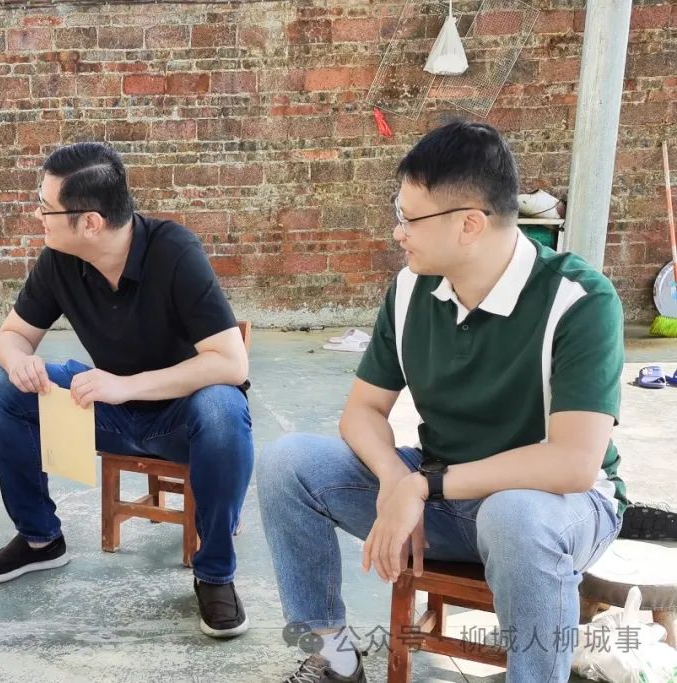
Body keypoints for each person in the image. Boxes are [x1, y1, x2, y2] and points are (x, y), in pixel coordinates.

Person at [257, 122, 625, 682]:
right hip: (444, 495)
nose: (397, 232)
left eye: (409, 218)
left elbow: (573, 464)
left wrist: (424, 485)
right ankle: (331, 659)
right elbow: (361, 412)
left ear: (469, 223)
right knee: (288, 464)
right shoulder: (411, 289)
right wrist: (394, 480)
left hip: (554, 509)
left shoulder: (579, 301)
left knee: (513, 515)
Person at [0, 142, 254, 638]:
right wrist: (19, 362)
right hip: (108, 412)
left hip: (182, 422)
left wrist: (126, 386)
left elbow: (231, 362)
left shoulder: (174, 252)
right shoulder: (60, 260)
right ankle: (40, 540)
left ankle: (214, 575)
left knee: (222, 407)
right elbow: (11, 336)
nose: (37, 215)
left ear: (91, 222)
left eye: (45, 207)